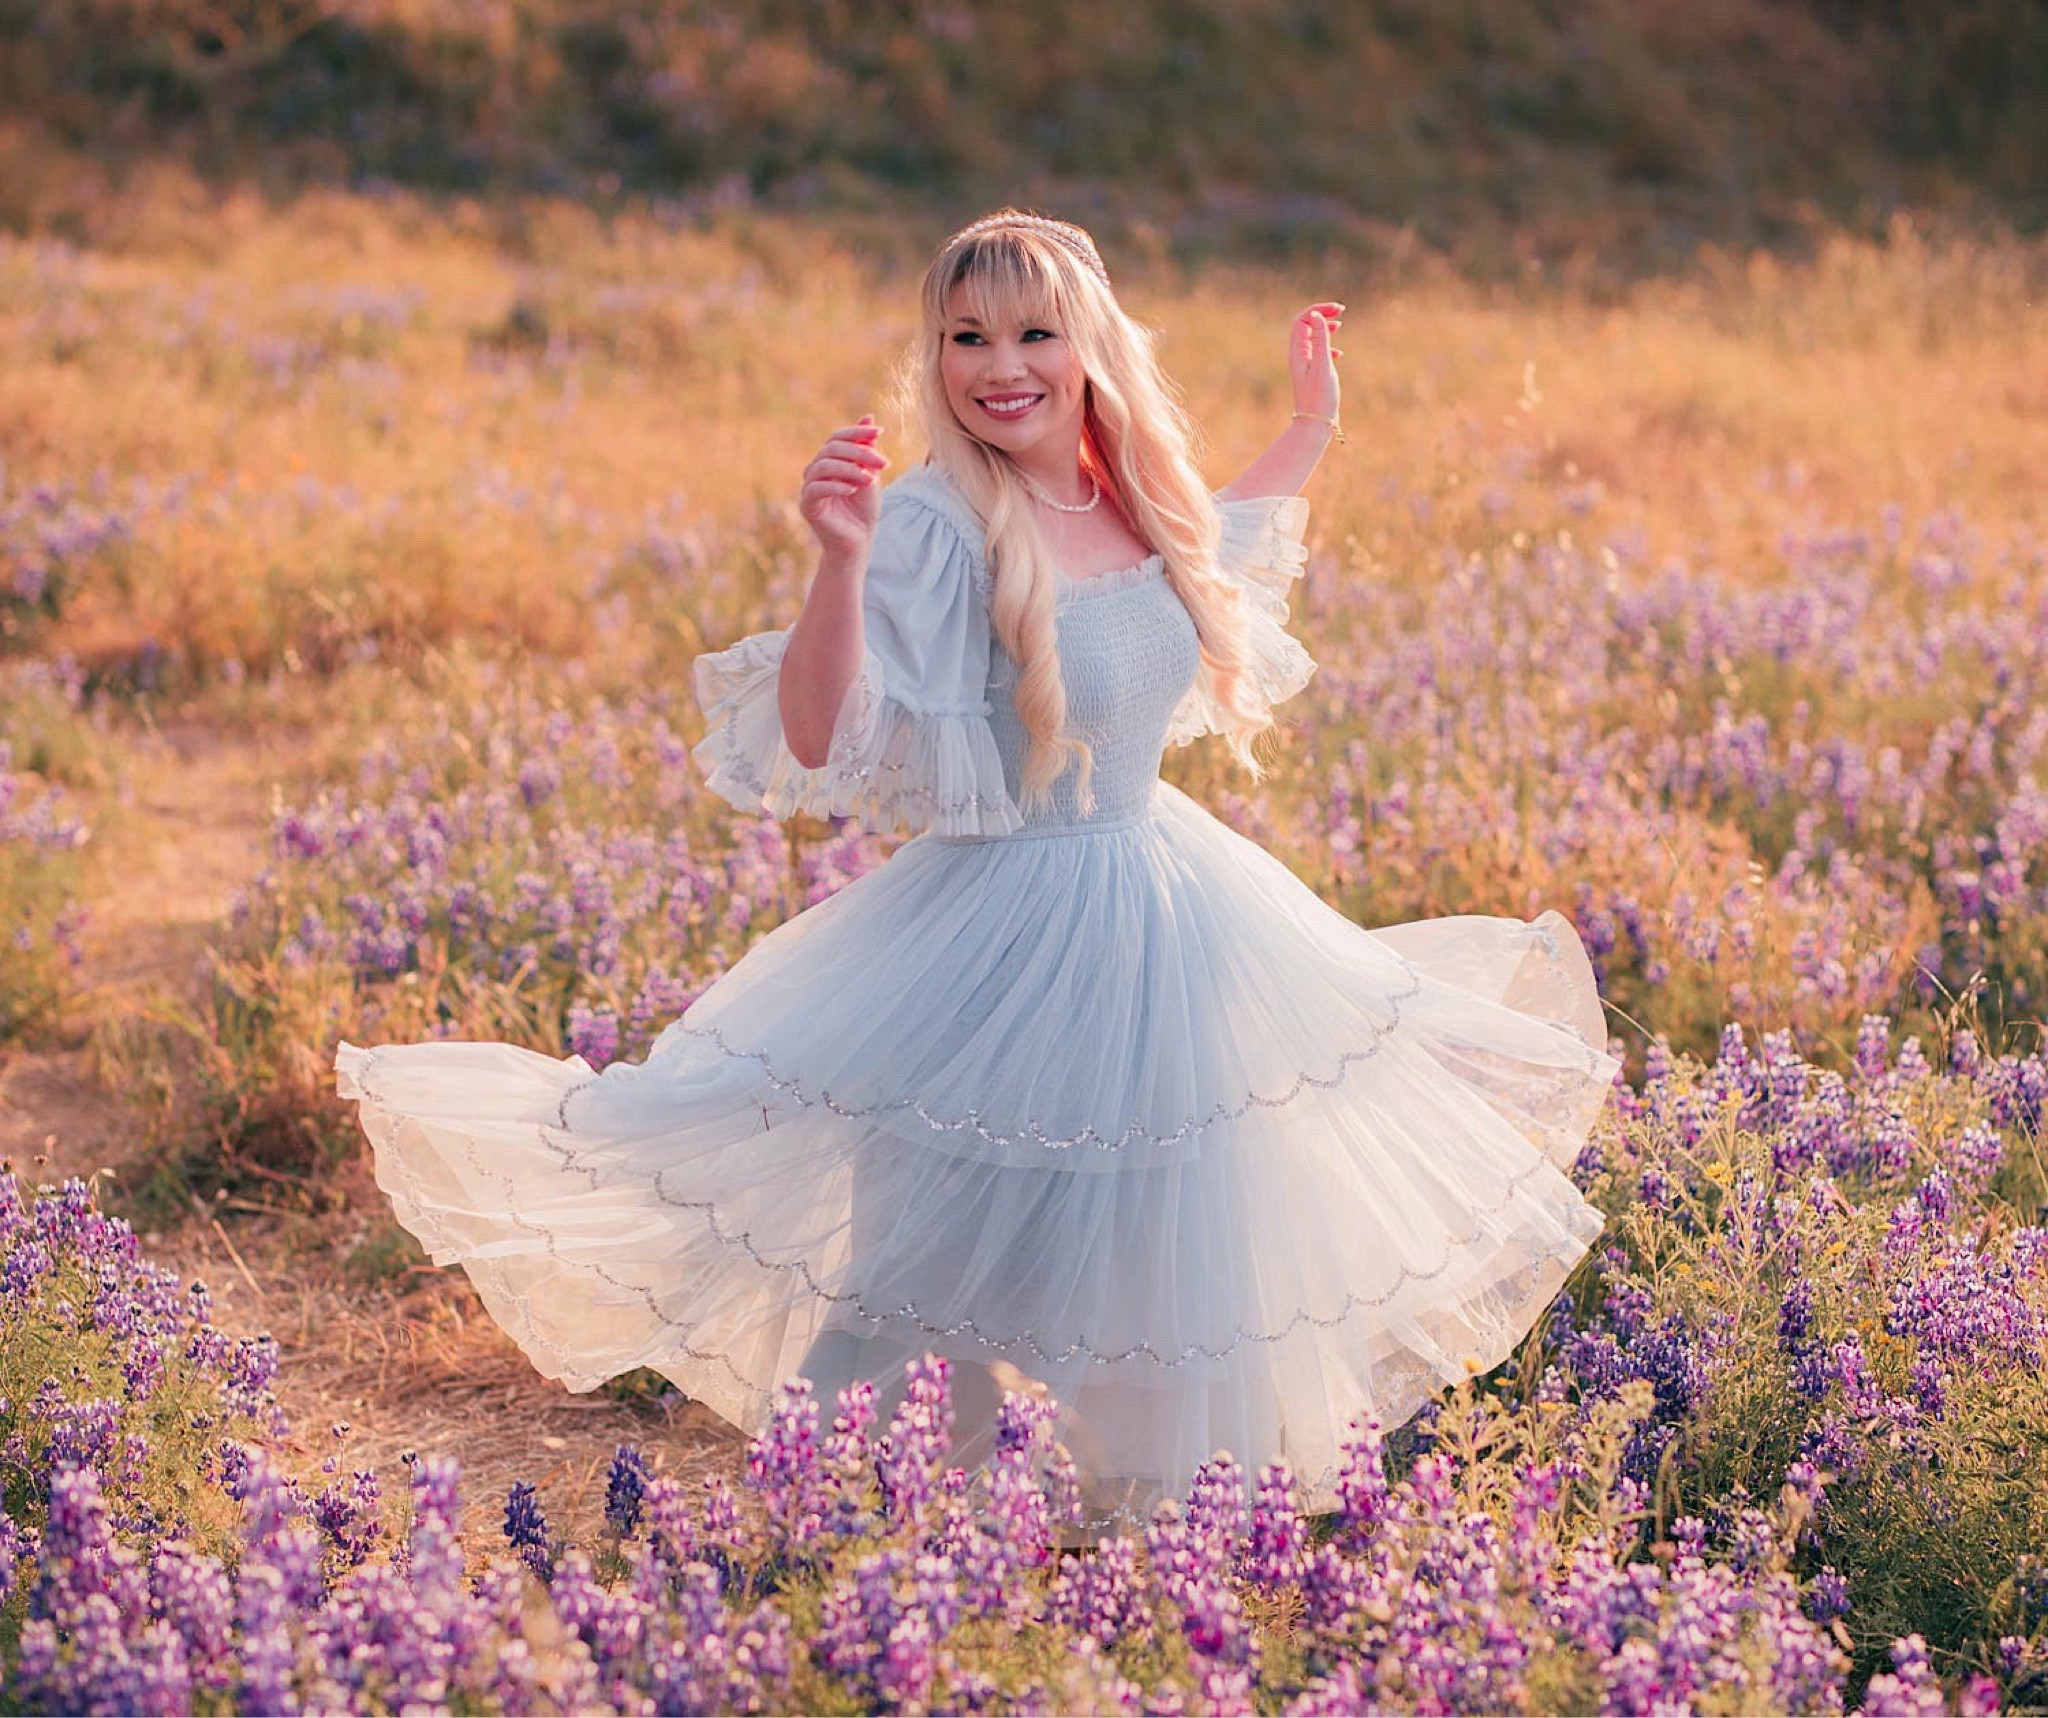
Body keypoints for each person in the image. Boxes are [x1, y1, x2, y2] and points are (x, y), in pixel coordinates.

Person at [337, 210, 1617, 1527]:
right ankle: (914, 1530)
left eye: (1032, 332)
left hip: (1171, 902)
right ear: (934, 353)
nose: (998, 364)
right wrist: (838, 558)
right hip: (1007, 926)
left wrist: (1311, 423)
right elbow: (825, 728)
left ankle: (1134, 1536)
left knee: (1165, 1233)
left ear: (1089, 345)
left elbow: (1219, 540)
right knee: (964, 1241)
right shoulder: (934, 524)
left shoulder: (1129, 488)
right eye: (965, 336)